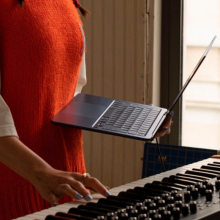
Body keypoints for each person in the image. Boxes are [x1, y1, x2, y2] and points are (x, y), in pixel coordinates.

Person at [0, 0, 172, 219]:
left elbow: (70, 90)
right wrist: (41, 173)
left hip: (67, 181)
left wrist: (131, 120)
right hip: (17, 185)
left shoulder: (67, 3)